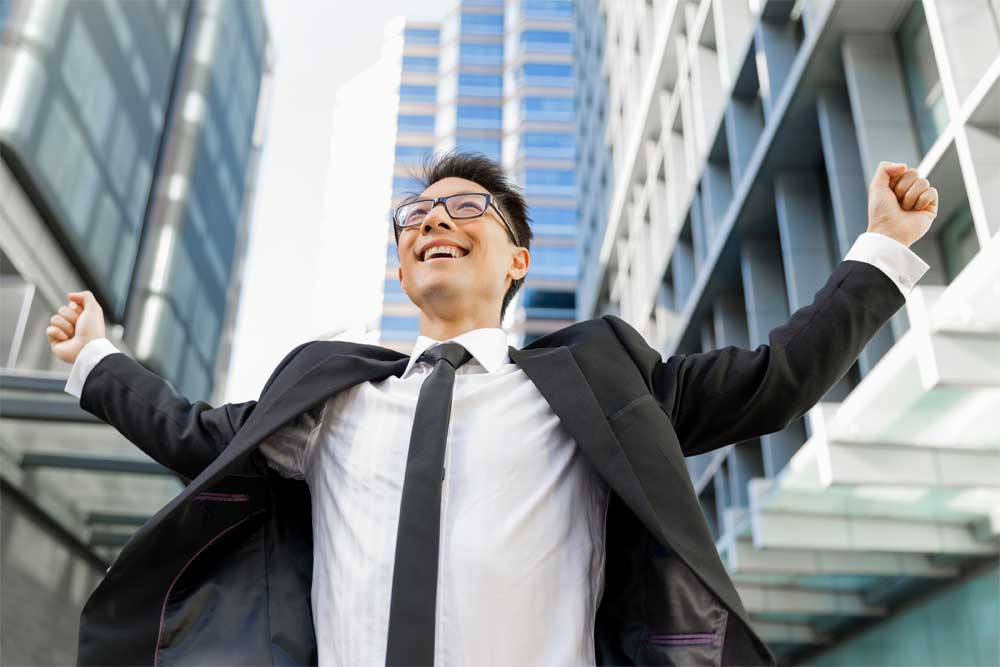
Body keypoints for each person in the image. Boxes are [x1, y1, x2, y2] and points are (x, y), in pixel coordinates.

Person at [48, 152, 935, 666]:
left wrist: (879, 253)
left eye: (466, 207)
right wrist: (96, 357)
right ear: (403, 267)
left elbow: (770, 379)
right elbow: (194, 433)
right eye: (416, 214)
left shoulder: (597, 379)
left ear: (515, 260)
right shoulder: (331, 400)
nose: (434, 218)